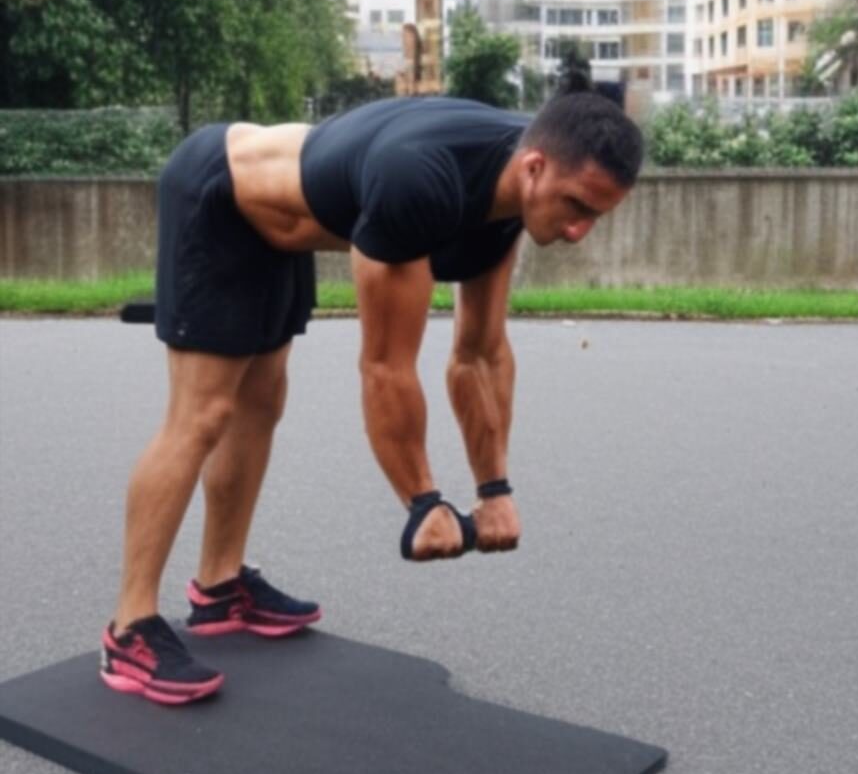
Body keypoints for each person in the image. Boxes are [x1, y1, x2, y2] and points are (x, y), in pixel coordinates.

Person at [99, 89, 644, 706]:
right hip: (218, 194)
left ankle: (219, 587)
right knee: (201, 416)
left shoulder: (527, 176)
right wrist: (424, 502)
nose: (579, 231)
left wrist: (495, 489)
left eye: (596, 216)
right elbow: (385, 366)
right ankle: (129, 627)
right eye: (576, 207)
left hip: (283, 232)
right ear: (536, 167)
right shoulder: (420, 180)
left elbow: (481, 355)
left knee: (260, 404)